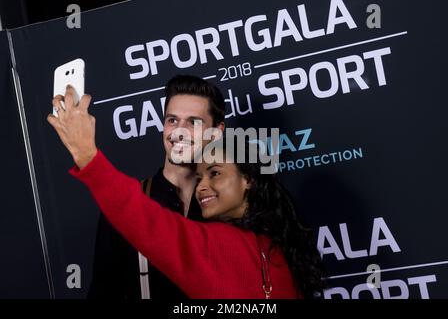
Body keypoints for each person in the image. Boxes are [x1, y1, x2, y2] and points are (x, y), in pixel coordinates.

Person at [47, 86, 327, 299]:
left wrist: (87, 155)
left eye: (215, 173)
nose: (203, 185)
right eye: (172, 120)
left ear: (249, 180)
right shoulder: (275, 247)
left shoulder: (228, 243)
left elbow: (153, 225)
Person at [85, 75, 225, 299]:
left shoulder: (233, 206)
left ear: (216, 132)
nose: (179, 131)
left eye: (193, 122)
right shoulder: (126, 206)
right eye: (172, 120)